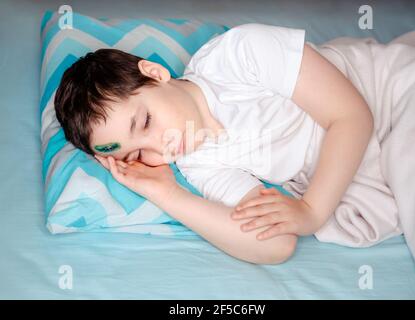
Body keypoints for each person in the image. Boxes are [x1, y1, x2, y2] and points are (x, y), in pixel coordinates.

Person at [54, 23, 376, 265]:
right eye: (138, 154)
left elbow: (352, 116)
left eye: (146, 122)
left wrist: (312, 211)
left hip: (384, 93)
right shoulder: (198, 163)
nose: (161, 148)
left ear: (155, 73)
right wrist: (167, 194)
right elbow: (276, 244)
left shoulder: (238, 55)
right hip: (364, 160)